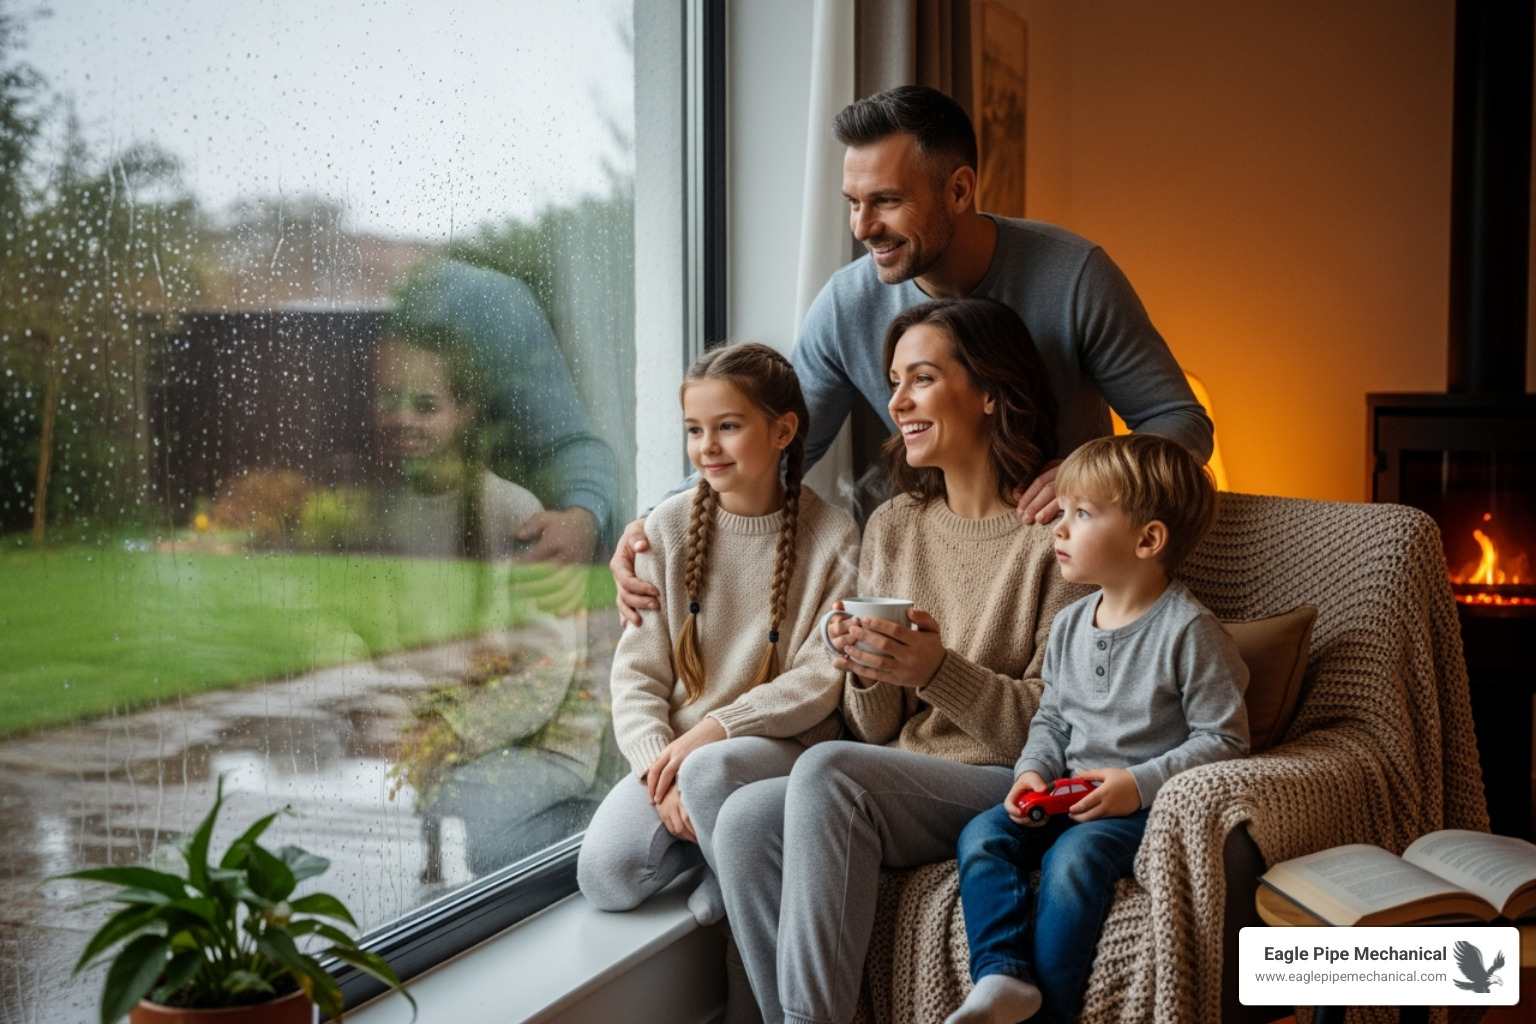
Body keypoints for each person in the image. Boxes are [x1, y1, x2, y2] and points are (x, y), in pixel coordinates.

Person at [610, 85, 1211, 624]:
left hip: (1063, 576)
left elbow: (1181, 422)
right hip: (935, 584)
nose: (863, 227)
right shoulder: (846, 305)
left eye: (886, 201)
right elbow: (776, 446)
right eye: (853, 202)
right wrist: (653, 521)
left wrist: (1089, 473)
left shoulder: (1075, 275)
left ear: (959, 189)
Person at [692, 297, 1090, 1024]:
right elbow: (875, 732)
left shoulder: (1059, 537)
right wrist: (869, 669)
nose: (897, 401)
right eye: (893, 380)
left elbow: (1060, 735)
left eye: (922, 380)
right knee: (747, 819)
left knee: (826, 769)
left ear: (992, 393)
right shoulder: (896, 525)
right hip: (908, 772)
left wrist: (938, 671)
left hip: (1007, 781)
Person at [946, 432, 1249, 1024]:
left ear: (1148, 539)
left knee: (1074, 861)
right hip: (1065, 794)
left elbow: (1227, 740)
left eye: (1081, 514)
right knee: (982, 835)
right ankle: (1002, 975)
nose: (1058, 527)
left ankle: (1048, 1015)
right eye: (1062, 512)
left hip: (1140, 809)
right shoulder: (1068, 625)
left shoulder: (1190, 632)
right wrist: (1033, 771)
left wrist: (1136, 785)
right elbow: (1053, 718)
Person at [577, 342, 858, 928]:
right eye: (694, 429)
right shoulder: (665, 528)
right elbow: (636, 678)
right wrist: (660, 774)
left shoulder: (834, 537)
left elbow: (821, 680)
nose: (707, 446)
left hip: (779, 743)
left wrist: (712, 732)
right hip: (680, 755)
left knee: (714, 773)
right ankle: (719, 847)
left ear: (783, 430)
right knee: (607, 874)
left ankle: (729, 853)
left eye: (728, 426)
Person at [390, 258, 617, 564]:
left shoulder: (490, 301)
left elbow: (566, 438)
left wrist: (581, 519)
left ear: (466, 411)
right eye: (389, 402)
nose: (404, 419)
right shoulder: (375, 506)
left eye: (426, 407)